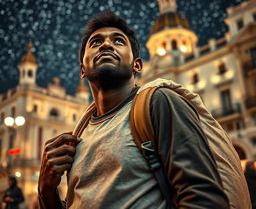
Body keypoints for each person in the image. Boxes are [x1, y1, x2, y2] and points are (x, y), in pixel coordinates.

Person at [38, 11, 244, 208]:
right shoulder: (80, 133)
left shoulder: (159, 101)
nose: (106, 45)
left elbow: (202, 197)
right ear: (82, 69)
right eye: (96, 42)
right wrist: (46, 189)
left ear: (137, 65)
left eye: (118, 40)